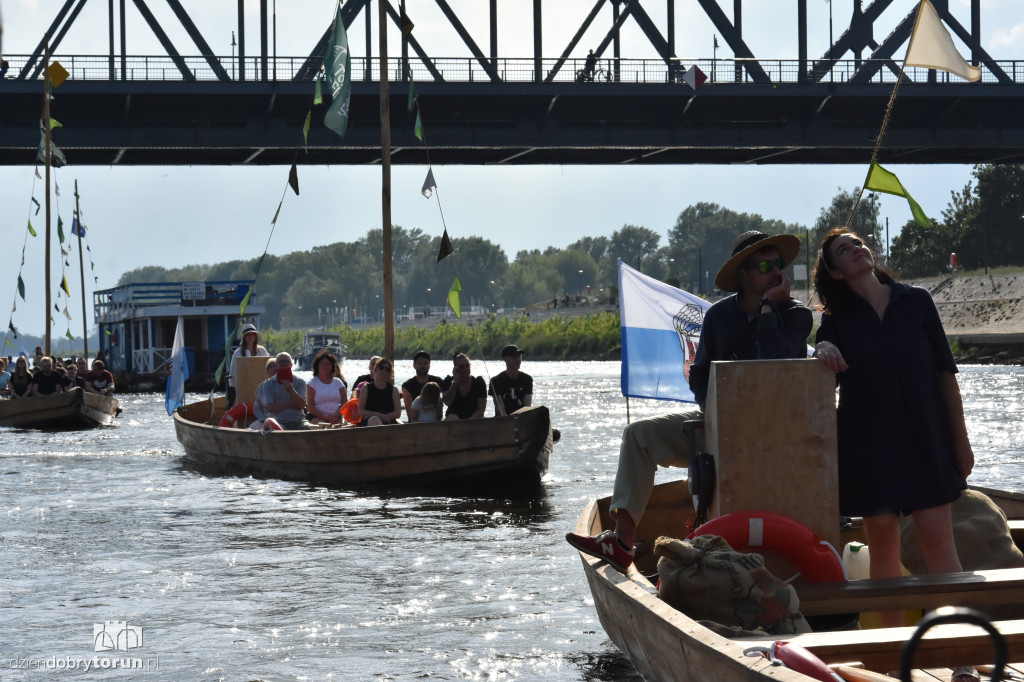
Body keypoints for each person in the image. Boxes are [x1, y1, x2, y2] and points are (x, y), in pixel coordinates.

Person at [565, 230, 813, 572]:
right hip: (717, 424)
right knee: (638, 435)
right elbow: (697, 374)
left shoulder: (797, 316)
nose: (776, 273)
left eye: (779, 265)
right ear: (743, 274)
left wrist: (769, 309)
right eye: (765, 266)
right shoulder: (719, 317)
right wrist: (714, 410)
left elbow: (773, 365)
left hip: (776, 433)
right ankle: (621, 543)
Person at [813, 228, 972, 622]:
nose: (856, 249)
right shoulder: (834, 322)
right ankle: (892, 657)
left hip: (926, 437)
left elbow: (945, 373)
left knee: (939, 543)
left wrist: (961, 440)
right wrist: (821, 348)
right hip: (868, 445)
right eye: (844, 250)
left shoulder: (916, 301)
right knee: (882, 545)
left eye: (858, 244)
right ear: (835, 272)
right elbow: (817, 373)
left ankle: (959, 657)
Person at [255, 353, 308, 430]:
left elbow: (301, 405)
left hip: (299, 421)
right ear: (276, 365)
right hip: (278, 422)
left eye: (286, 361)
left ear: (291, 364)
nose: (283, 364)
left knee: (307, 429)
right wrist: (292, 403)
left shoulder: (300, 382)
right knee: (277, 432)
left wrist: (291, 391)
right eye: (280, 362)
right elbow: (270, 408)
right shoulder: (268, 384)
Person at [227, 323, 269, 406]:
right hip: (243, 386)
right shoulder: (238, 353)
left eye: (252, 335)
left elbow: (269, 366)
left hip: (260, 384)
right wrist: (233, 386)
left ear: (255, 337)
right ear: (244, 337)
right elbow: (233, 371)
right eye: (248, 335)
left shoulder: (262, 351)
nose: (250, 337)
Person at [488, 344, 533, 416]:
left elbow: (527, 407)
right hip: (503, 420)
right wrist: (508, 422)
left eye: (519, 357)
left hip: (521, 418)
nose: (518, 360)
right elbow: (500, 408)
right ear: (505, 359)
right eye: (514, 357)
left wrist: (522, 420)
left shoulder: (527, 379)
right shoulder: (496, 381)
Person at [441, 352, 488, 420]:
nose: (465, 369)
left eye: (467, 365)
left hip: (473, 420)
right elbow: (448, 402)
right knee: (453, 417)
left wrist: (469, 422)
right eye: (462, 367)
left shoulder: (479, 383)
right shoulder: (448, 381)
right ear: (455, 368)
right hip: (453, 421)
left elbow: (481, 410)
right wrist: (455, 381)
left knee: (484, 419)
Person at [306, 350, 348, 425]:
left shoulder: (338, 382)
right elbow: (310, 406)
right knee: (325, 428)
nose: (325, 366)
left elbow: (345, 401)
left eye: (328, 364)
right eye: (322, 364)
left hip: (336, 417)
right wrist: (325, 418)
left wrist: (337, 415)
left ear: (332, 366)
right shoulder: (312, 383)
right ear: (317, 366)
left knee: (341, 428)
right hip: (317, 417)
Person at [357, 358, 402, 426]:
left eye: (387, 369)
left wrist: (385, 417)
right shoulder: (366, 388)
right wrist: (379, 415)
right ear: (375, 369)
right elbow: (361, 411)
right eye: (381, 367)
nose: (384, 370)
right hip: (369, 423)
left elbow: (397, 413)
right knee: (374, 419)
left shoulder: (394, 390)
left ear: (390, 373)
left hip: (388, 421)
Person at [401, 350, 443, 420]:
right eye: (420, 363)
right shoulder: (407, 386)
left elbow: (447, 401)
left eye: (425, 363)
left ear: (429, 365)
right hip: (416, 425)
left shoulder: (438, 381)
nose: (423, 366)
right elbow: (410, 416)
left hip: (436, 423)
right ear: (414, 365)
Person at [250, 358, 279, 429]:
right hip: (266, 420)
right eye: (271, 367)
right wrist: (263, 419)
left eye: (276, 367)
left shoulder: (287, 385)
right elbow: (256, 407)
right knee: (251, 428)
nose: (274, 370)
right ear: (267, 371)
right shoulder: (261, 387)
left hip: (282, 420)